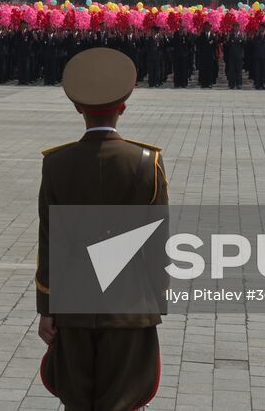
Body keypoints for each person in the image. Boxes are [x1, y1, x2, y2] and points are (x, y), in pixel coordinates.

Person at [36, 47, 168, 411]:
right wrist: (154, 303)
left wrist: (46, 307)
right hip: (128, 307)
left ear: (78, 107)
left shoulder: (57, 164)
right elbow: (156, 243)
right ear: (123, 105)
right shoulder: (146, 163)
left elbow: (49, 241)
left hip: (72, 305)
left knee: (76, 402)